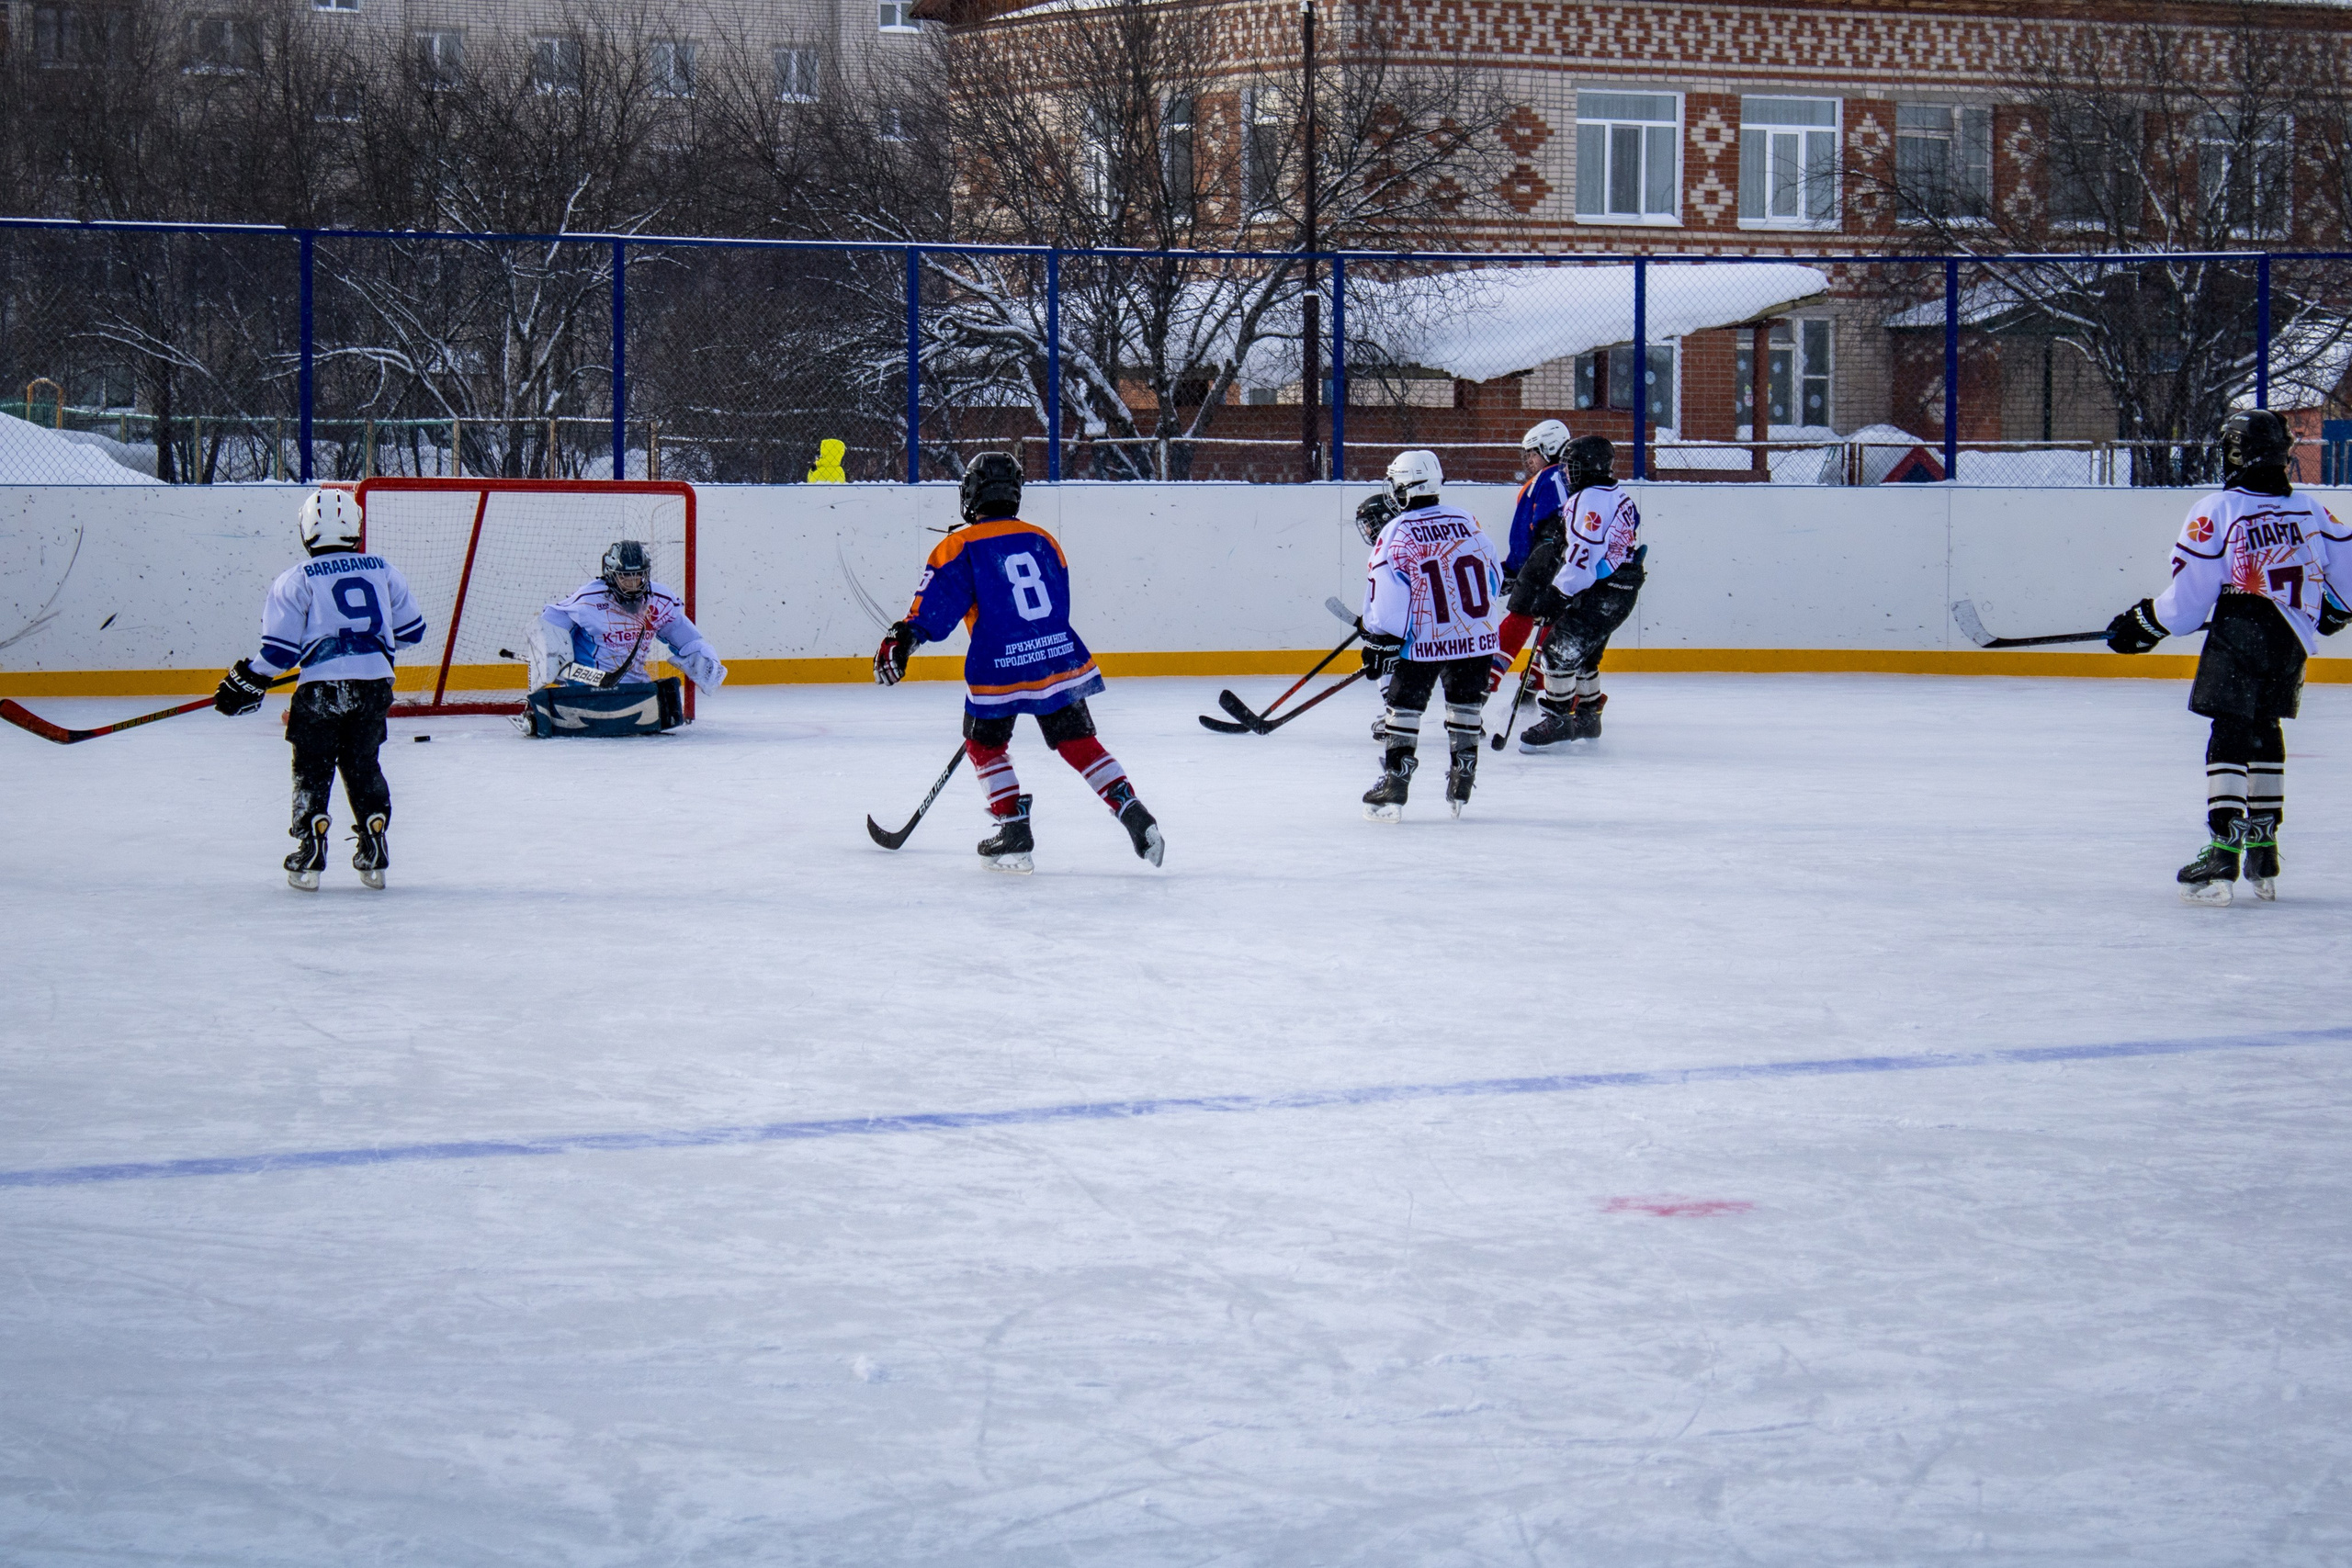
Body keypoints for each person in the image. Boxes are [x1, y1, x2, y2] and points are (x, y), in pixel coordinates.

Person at [873, 450, 1163, 874]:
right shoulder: (1043, 539)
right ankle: (1133, 811)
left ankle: (1013, 828)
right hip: (1056, 658)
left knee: (985, 745)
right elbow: (1054, 602)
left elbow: (934, 610)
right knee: (1078, 743)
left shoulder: (958, 546)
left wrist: (903, 638)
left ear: (970, 494)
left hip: (998, 668)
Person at [2105, 409, 2349, 903]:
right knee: (2265, 728)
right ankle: (2263, 845)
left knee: (2231, 730)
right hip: (2292, 641)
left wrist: (2143, 623)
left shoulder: (2217, 509)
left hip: (2240, 632)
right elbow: (2347, 582)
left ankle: (2222, 849)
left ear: (2235, 452)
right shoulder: (2313, 510)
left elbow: (2190, 602)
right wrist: (2333, 613)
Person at [212, 488, 427, 890]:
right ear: (356, 528)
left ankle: (311, 842)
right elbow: (412, 632)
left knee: (313, 767)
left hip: (320, 690)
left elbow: (278, 653)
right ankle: (374, 837)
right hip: (374, 686)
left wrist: (249, 679)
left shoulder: (296, 579)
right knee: (363, 763)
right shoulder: (383, 570)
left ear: (306, 530)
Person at [1357, 449, 1504, 821]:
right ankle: (1463, 777)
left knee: (1403, 706)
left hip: (1424, 641)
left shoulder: (1397, 530)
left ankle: (1396, 781)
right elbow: (1495, 577)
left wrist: (1380, 638)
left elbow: (1388, 594)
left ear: (1403, 486)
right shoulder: (1467, 520)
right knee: (1466, 706)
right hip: (1478, 637)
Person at [1510, 434, 1645, 750]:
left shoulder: (1590, 500)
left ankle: (1558, 718)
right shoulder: (1614, 493)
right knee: (1585, 654)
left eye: (1571, 467)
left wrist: (1557, 594)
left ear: (1588, 468)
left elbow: (1583, 559)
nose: (1566, 474)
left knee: (1558, 650)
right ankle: (1588, 715)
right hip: (1619, 587)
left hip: (1605, 591)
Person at [526, 541, 726, 735]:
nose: (632, 584)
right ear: (611, 576)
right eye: (625, 577)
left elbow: (686, 638)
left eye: (638, 576)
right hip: (588, 692)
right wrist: (552, 661)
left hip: (635, 692)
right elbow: (550, 622)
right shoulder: (588, 599)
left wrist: (705, 660)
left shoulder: (660, 598)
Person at [1490, 419, 1577, 711]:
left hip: (1545, 556)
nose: (1529, 460)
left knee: (1520, 616)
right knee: (1555, 623)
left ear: (1550, 449)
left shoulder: (1543, 479)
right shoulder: (1579, 476)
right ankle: (1543, 688)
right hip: (1575, 561)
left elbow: (1523, 533)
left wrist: (1514, 569)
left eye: (1533, 452)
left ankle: (1483, 681)